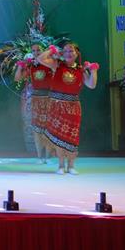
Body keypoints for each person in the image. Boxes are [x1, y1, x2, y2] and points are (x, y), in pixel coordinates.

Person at [37, 42, 98, 175]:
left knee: (72, 136)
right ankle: (60, 165)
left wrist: (93, 71)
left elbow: (91, 85)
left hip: (73, 107)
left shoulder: (81, 69)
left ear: (77, 54)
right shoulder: (57, 65)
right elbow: (40, 59)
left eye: (71, 51)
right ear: (62, 54)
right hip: (57, 105)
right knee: (59, 135)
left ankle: (71, 166)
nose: (68, 54)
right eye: (65, 51)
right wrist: (51, 50)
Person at [14, 43, 52, 163]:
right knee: (37, 129)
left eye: (38, 50)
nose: (36, 52)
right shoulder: (31, 66)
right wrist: (20, 66)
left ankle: (48, 156)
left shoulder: (51, 64)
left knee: (49, 128)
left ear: (44, 51)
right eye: (33, 51)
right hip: (36, 99)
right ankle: (40, 156)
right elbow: (17, 78)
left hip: (49, 98)